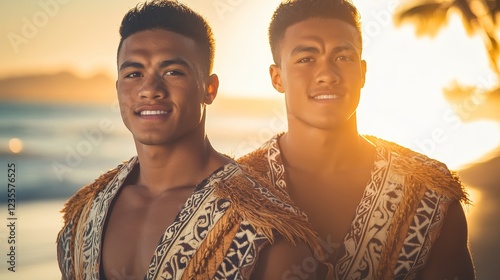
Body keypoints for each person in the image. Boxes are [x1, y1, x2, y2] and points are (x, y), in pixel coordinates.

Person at [56, 1, 325, 279]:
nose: (149, 90)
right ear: (118, 89)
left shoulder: (265, 230)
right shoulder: (83, 217)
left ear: (209, 89)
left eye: (172, 72)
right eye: (133, 74)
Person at [238, 0, 476, 279]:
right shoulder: (236, 191)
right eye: (306, 59)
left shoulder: (429, 193)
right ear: (277, 78)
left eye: (342, 57)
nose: (327, 75)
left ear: (362, 72)